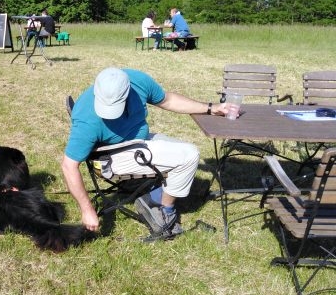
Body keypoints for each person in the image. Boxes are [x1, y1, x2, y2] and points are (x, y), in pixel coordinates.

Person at [61, 67, 227, 237]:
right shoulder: (86, 119)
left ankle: (152, 196)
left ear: (127, 92)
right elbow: (69, 166)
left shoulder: (137, 81)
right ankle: (163, 211)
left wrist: (209, 107)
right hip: (111, 156)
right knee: (189, 155)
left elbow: (167, 100)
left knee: (184, 151)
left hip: (138, 141)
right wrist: (87, 210)